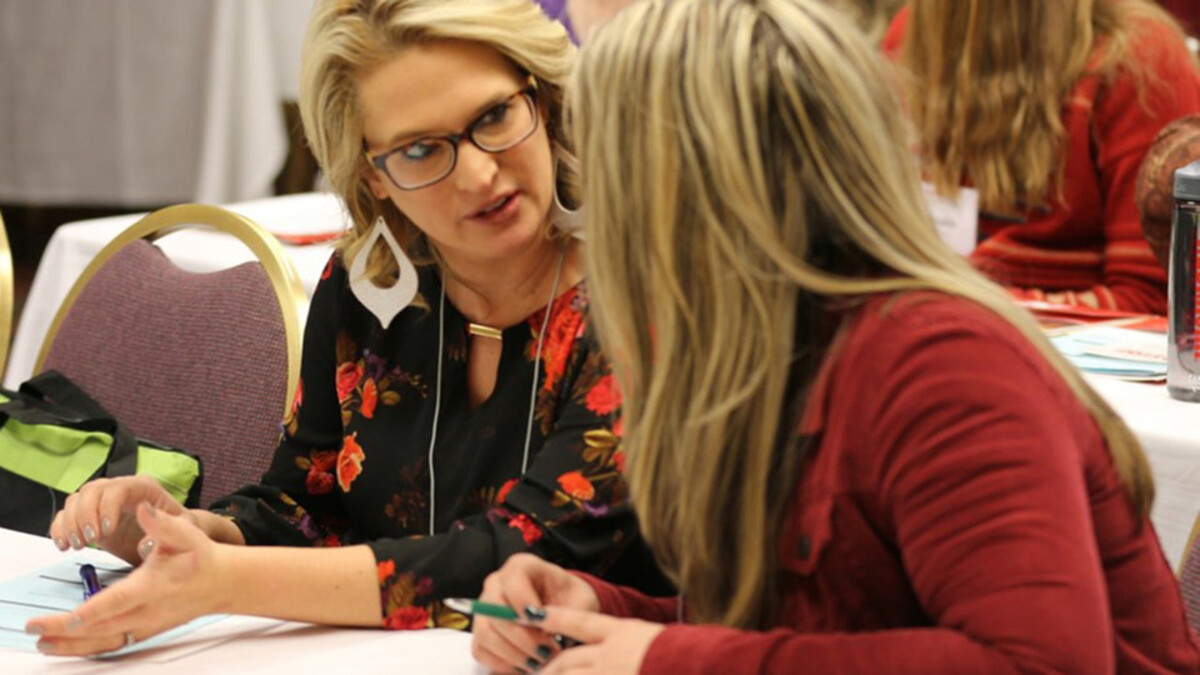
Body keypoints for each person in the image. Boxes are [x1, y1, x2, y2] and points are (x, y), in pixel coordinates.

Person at [469, 0, 1200, 673]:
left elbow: (1037, 663)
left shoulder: (939, 364)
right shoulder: (774, 344)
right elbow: (816, 629)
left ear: (671, 194)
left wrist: (671, 657)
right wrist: (605, 615)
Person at [26, 0, 665, 656]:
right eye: (421, 149)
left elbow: (523, 554)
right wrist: (184, 533)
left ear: (544, 97)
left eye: (494, 117)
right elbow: (307, 503)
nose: (478, 173)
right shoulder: (373, 286)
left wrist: (224, 581)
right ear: (372, 175)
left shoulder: (640, 292)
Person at [882, 0, 1200, 314]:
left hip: (1065, 344)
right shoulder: (914, 35)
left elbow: (1159, 302)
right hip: (940, 313)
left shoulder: (1139, 57)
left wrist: (966, 306)